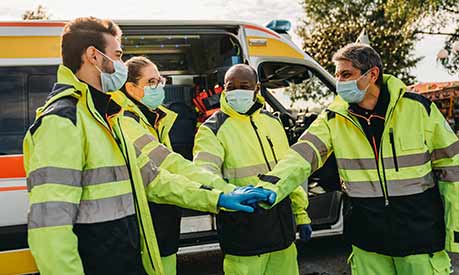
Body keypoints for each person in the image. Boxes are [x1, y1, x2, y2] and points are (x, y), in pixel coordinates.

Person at [23, 17, 273, 275]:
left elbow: (155, 180)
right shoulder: (63, 120)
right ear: (93, 56)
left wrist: (219, 197)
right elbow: (50, 228)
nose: (121, 65)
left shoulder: (109, 118)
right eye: (118, 56)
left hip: (128, 262)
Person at [257, 43, 459, 275]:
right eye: (337, 75)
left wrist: (455, 228)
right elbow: (302, 154)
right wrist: (270, 186)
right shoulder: (333, 118)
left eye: (346, 74)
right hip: (367, 242)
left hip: (419, 239)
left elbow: (452, 168)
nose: (340, 82)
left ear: (372, 74)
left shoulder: (418, 109)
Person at [114, 55, 233, 275]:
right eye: (151, 82)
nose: (159, 86)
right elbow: (170, 165)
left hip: (163, 226)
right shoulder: (127, 122)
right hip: (146, 233)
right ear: (131, 88)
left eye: (160, 80)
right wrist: (222, 192)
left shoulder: (154, 119)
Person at [193, 64, 311, 275]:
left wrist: (300, 214)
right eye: (231, 86)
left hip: (281, 227)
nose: (237, 90)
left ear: (256, 88)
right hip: (243, 230)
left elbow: (288, 171)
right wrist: (227, 195)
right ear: (224, 89)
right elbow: (204, 173)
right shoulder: (212, 129)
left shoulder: (272, 122)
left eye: (244, 85)